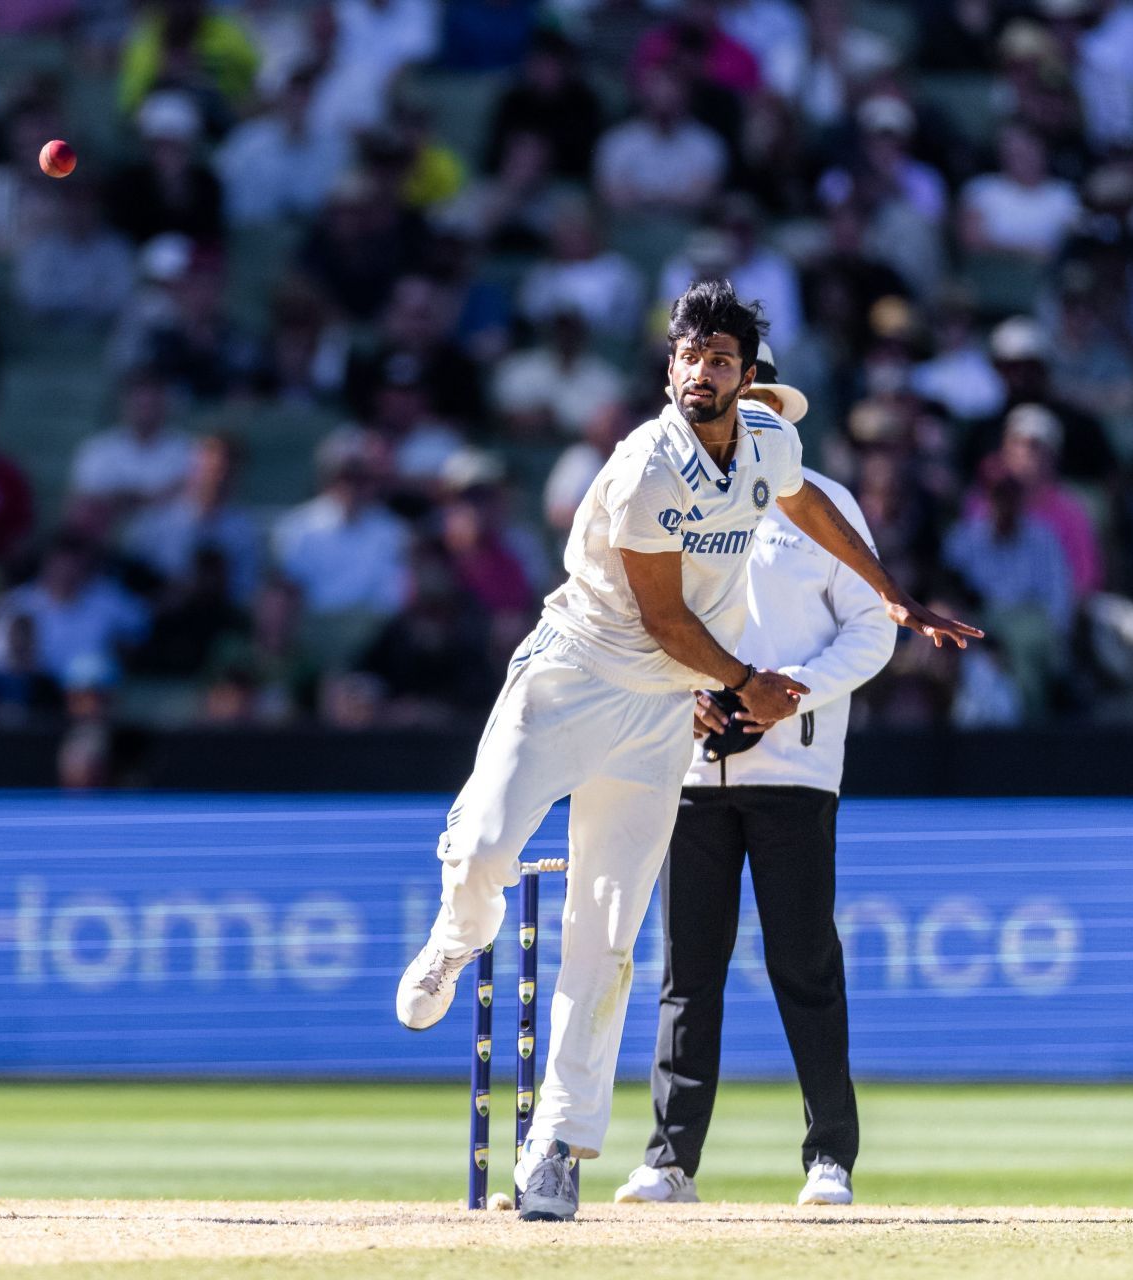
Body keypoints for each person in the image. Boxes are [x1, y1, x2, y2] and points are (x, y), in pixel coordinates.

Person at [394, 281, 979, 1222]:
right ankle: (462, 932)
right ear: (669, 368)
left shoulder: (771, 446)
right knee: (486, 848)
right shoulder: (644, 470)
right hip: (575, 675)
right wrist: (746, 684)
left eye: (719, 360)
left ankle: (556, 1150)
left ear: (747, 377)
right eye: (688, 358)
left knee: (608, 933)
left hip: (665, 717)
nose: (702, 375)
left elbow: (808, 508)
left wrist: (895, 596)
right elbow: (664, 620)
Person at [617, 350, 894, 1211]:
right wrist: (691, 694)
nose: (755, 416)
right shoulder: (675, 493)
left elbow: (874, 628)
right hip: (692, 766)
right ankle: (670, 1160)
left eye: (766, 401)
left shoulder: (822, 505)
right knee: (688, 970)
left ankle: (829, 1159)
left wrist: (790, 695)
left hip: (795, 769)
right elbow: (646, 615)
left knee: (803, 960)